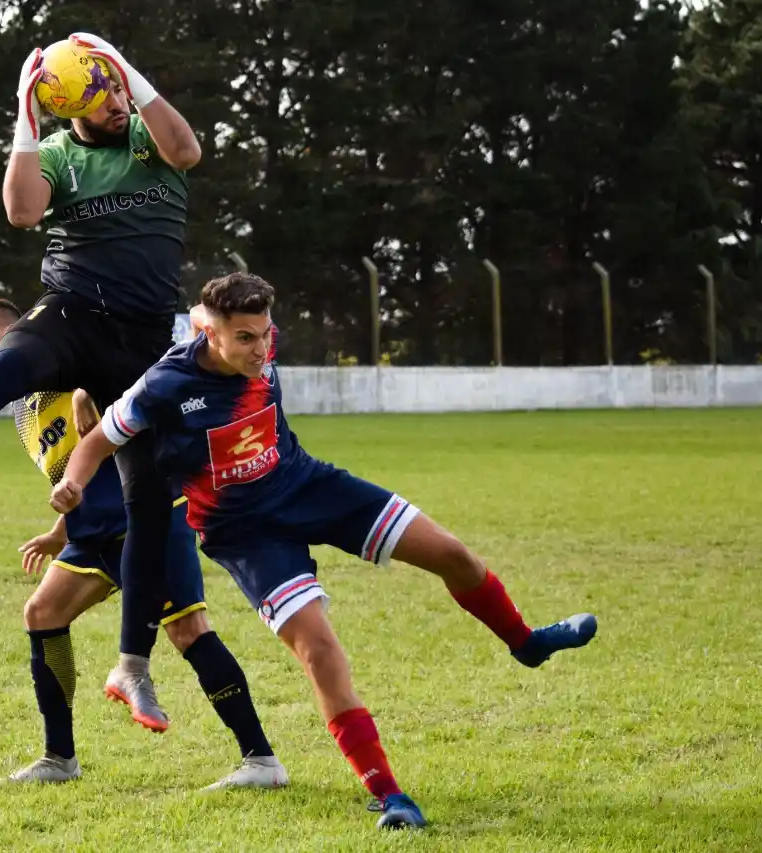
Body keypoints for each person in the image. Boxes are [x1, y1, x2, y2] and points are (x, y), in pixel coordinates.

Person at [49, 272, 600, 830]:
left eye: (265, 334)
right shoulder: (164, 386)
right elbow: (95, 443)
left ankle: (525, 643)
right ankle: (389, 795)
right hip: (245, 533)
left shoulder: (246, 339)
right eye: (245, 338)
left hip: (307, 485)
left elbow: (203, 312)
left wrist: (222, 320)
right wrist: (71, 483)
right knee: (319, 650)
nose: (261, 349)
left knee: (452, 554)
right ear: (212, 335)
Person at [0, 33, 202, 728]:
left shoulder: (149, 135)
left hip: (140, 342)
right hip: (71, 310)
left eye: (117, 90)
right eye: (100, 92)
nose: (115, 102)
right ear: (66, 103)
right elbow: (21, 210)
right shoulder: (54, 153)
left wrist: (120, 64)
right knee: (9, 366)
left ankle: (133, 666)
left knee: (148, 496)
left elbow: (189, 151)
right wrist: (26, 108)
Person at [0, 298, 286, 789]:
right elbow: (75, 473)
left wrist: (84, 395)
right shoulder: (25, 410)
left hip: (150, 519)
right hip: (94, 533)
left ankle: (261, 761)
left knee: (189, 631)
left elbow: (117, 397)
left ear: (13, 335)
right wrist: (59, 533)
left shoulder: (59, 364)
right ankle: (59, 758)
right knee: (42, 613)